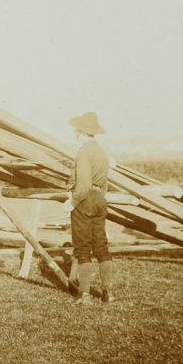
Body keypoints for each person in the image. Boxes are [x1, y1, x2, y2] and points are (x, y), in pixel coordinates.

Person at [64, 111, 113, 304]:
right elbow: (105, 183)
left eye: (76, 130)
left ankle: (84, 294)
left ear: (82, 132)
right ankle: (108, 292)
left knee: (82, 247)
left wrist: (72, 202)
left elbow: (83, 186)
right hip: (100, 199)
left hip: (85, 201)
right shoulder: (102, 152)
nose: (75, 133)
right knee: (101, 245)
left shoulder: (83, 152)